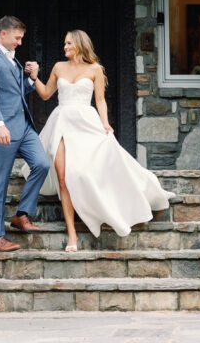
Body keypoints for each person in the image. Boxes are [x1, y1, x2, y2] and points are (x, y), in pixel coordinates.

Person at [23, 29, 173, 252]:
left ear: (80, 45)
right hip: (62, 122)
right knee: (63, 177)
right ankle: (72, 234)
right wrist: (34, 78)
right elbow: (45, 94)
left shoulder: (95, 70)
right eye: (64, 44)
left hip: (85, 122)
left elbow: (100, 101)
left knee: (82, 173)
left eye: (68, 44)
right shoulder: (58, 67)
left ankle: (103, 205)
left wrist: (105, 123)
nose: (64, 47)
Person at [0, 15, 50, 252]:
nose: (20, 43)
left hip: (24, 126)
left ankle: (21, 215)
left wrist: (32, 78)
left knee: (42, 164)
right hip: (3, 130)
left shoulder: (12, 59)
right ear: (4, 34)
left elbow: (17, 93)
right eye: (17, 38)